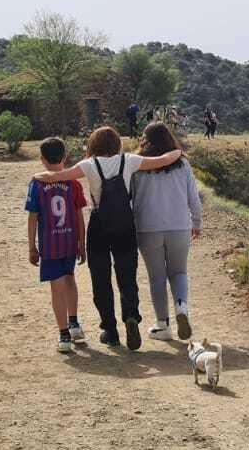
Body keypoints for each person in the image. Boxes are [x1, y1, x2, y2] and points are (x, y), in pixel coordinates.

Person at [33, 127, 184, 350]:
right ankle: (131, 315)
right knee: (127, 275)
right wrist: (177, 152)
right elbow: (162, 160)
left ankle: (110, 331)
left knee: (101, 279)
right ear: (116, 143)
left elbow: (57, 176)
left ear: (93, 144)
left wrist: (38, 176)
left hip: (99, 225)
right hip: (124, 224)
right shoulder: (129, 160)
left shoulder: (88, 165)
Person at [129, 123, 202, 342]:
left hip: (147, 227)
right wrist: (196, 221)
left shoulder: (138, 164)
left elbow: (129, 198)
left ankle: (163, 325)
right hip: (179, 225)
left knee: (157, 277)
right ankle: (181, 307)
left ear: (146, 139)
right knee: (179, 272)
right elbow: (193, 197)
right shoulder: (182, 163)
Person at [25, 137, 87, 353]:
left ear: (42, 160)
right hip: (70, 240)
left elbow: (33, 217)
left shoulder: (37, 184)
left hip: (50, 244)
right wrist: (82, 242)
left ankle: (63, 334)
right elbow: (79, 215)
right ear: (65, 157)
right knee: (70, 280)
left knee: (56, 286)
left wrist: (32, 246)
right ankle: (74, 323)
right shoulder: (74, 183)